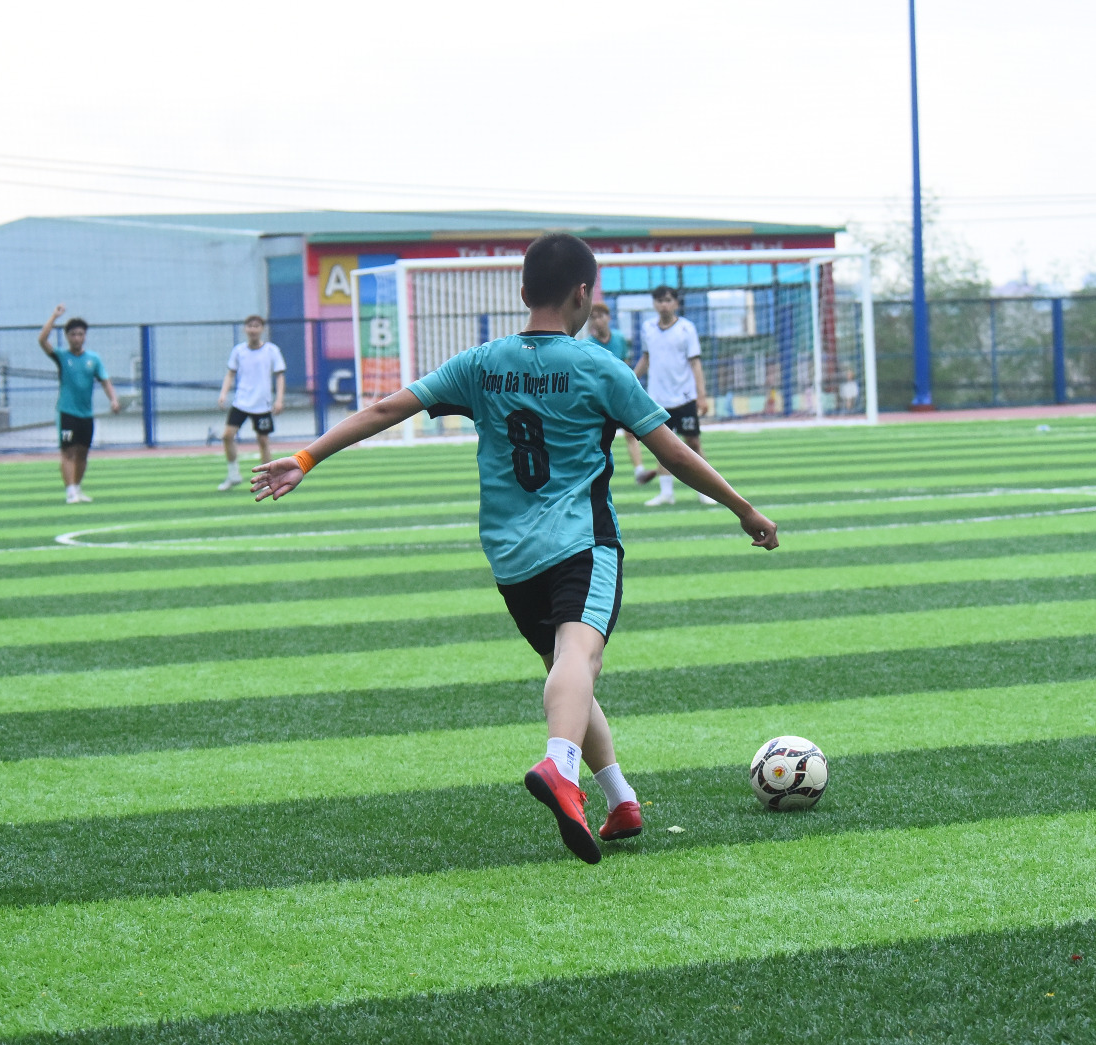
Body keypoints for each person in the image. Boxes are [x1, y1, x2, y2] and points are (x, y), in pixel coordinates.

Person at [251, 234, 779, 864]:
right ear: (583, 294)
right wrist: (743, 509)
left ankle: (621, 799)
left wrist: (306, 457)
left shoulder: (482, 362)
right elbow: (675, 453)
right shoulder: (600, 366)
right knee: (578, 660)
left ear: (524, 291)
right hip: (581, 541)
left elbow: (387, 408)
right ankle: (561, 766)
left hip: (510, 555)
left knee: (567, 672)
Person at [633, 285, 716, 507]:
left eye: (668, 300)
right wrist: (631, 379)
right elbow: (646, 358)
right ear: (654, 304)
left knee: (693, 443)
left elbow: (695, 362)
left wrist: (701, 395)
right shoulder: (648, 328)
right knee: (663, 448)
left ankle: (706, 490)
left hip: (684, 397)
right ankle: (666, 493)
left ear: (676, 303)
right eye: (660, 301)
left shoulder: (687, 328)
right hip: (658, 399)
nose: (664, 305)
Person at [38, 305, 120, 504]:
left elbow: (105, 381)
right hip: (67, 413)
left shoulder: (94, 359)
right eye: (73, 334)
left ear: (85, 336)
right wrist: (54, 316)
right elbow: (42, 340)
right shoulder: (62, 357)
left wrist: (113, 399)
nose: (77, 338)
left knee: (83, 453)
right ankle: (70, 492)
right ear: (67, 337)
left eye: (80, 334)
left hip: (86, 415)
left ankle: (77, 487)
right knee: (68, 452)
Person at [216, 314, 287, 491]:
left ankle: (267, 480)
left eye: (256, 326)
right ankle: (233, 475)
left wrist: (279, 399)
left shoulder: (271, 350)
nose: (253, 329)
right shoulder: (239, 351)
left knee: (263, 441)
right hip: (241, 402)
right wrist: (223, 393)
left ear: (262, 329)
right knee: (227, 436)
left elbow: (280, 376)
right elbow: (230, 373)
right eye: (250, 326)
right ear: (245, 329)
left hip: (262, 404)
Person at [585, 301, 648, 481]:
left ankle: (639, 470)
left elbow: (625, 364)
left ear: (609, 318)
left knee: (630, 432)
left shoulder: (619, 338)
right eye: (593, 317)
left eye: (600, 316)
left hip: (619, 394)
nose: (597, 321)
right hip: (600, 397)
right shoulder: (588, 344)